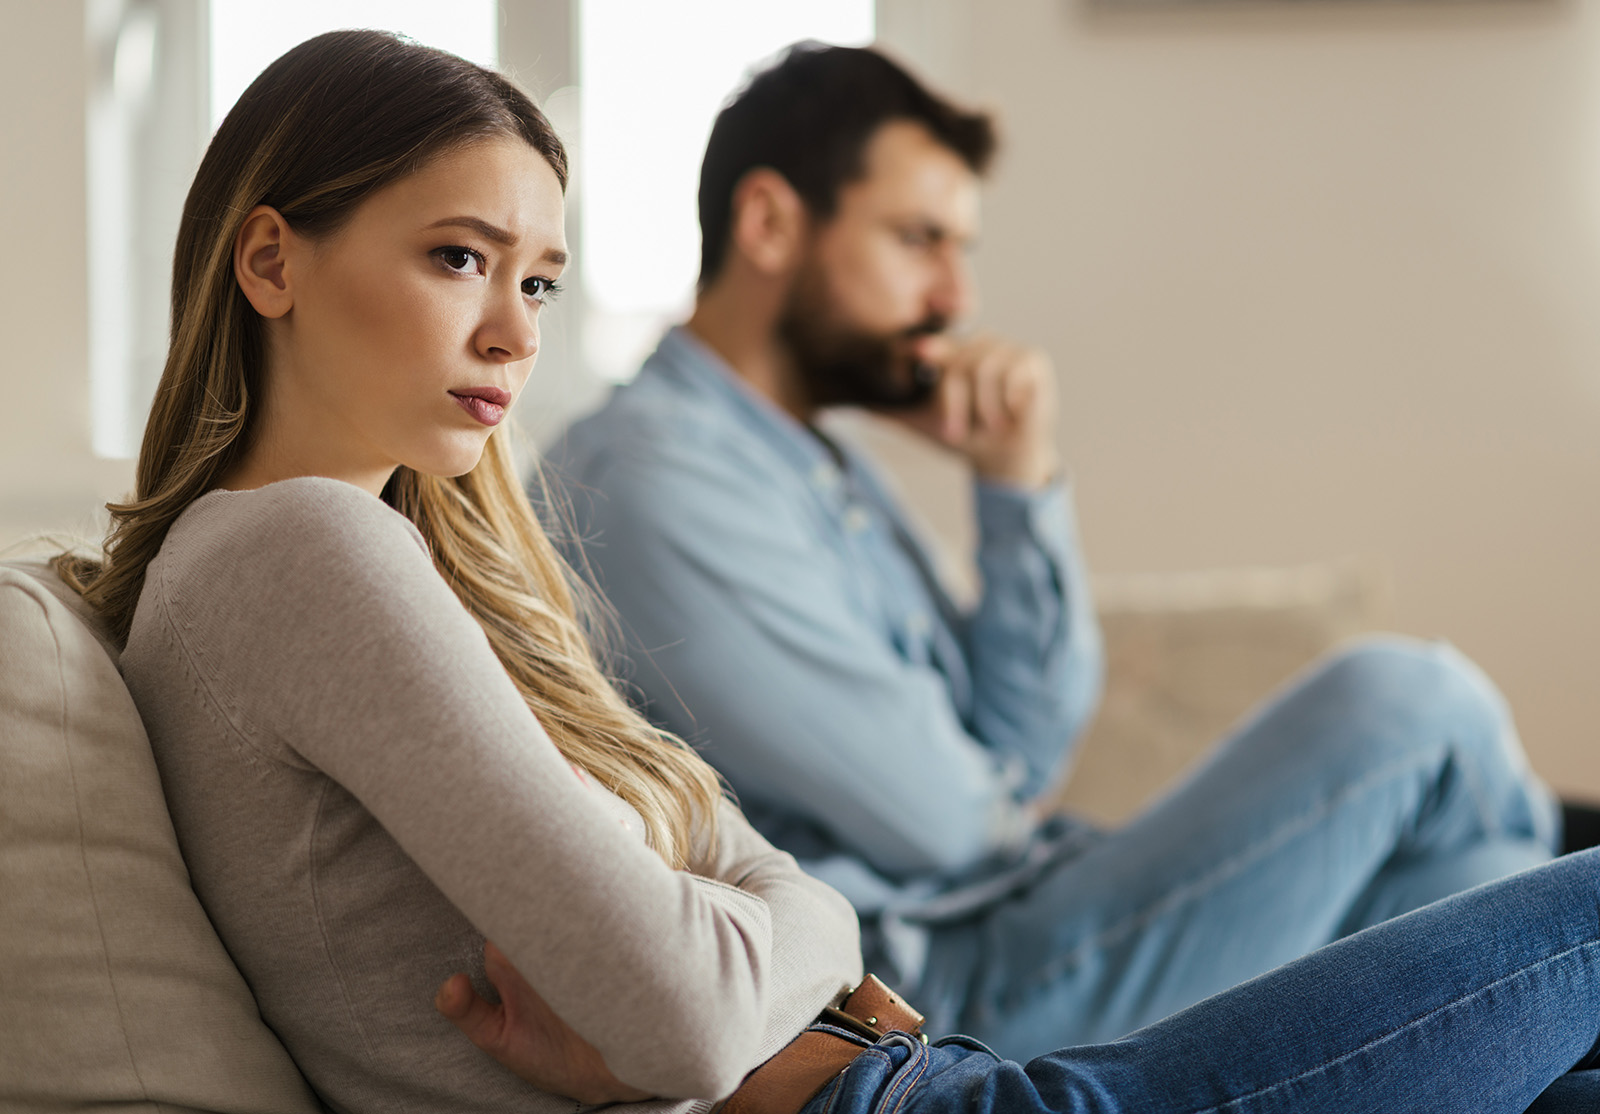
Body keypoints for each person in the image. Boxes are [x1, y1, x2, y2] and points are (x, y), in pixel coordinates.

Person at [57, 26, 1600, 1114]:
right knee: (1454, 747)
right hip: (902, 1085)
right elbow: (687, 993)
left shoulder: (351, 557)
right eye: (459, 258)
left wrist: (767, 939)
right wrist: (785, 940)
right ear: (270, 263)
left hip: (902, 1065)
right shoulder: (306, 549)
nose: (519, 335)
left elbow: (771, 911)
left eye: (539, 279)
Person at [552, 41, 1570, 1057]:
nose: (956, 297)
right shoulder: (646, 479)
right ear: (770, 224)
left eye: (961, 249)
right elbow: (952, 826)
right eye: (918, 240)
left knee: (1473, 889)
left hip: (1031, 914)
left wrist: (1012, 480)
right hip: (941, 984)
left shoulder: (819, 461)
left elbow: (1031, 745)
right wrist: (1008, 792)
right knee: (1409, 700)